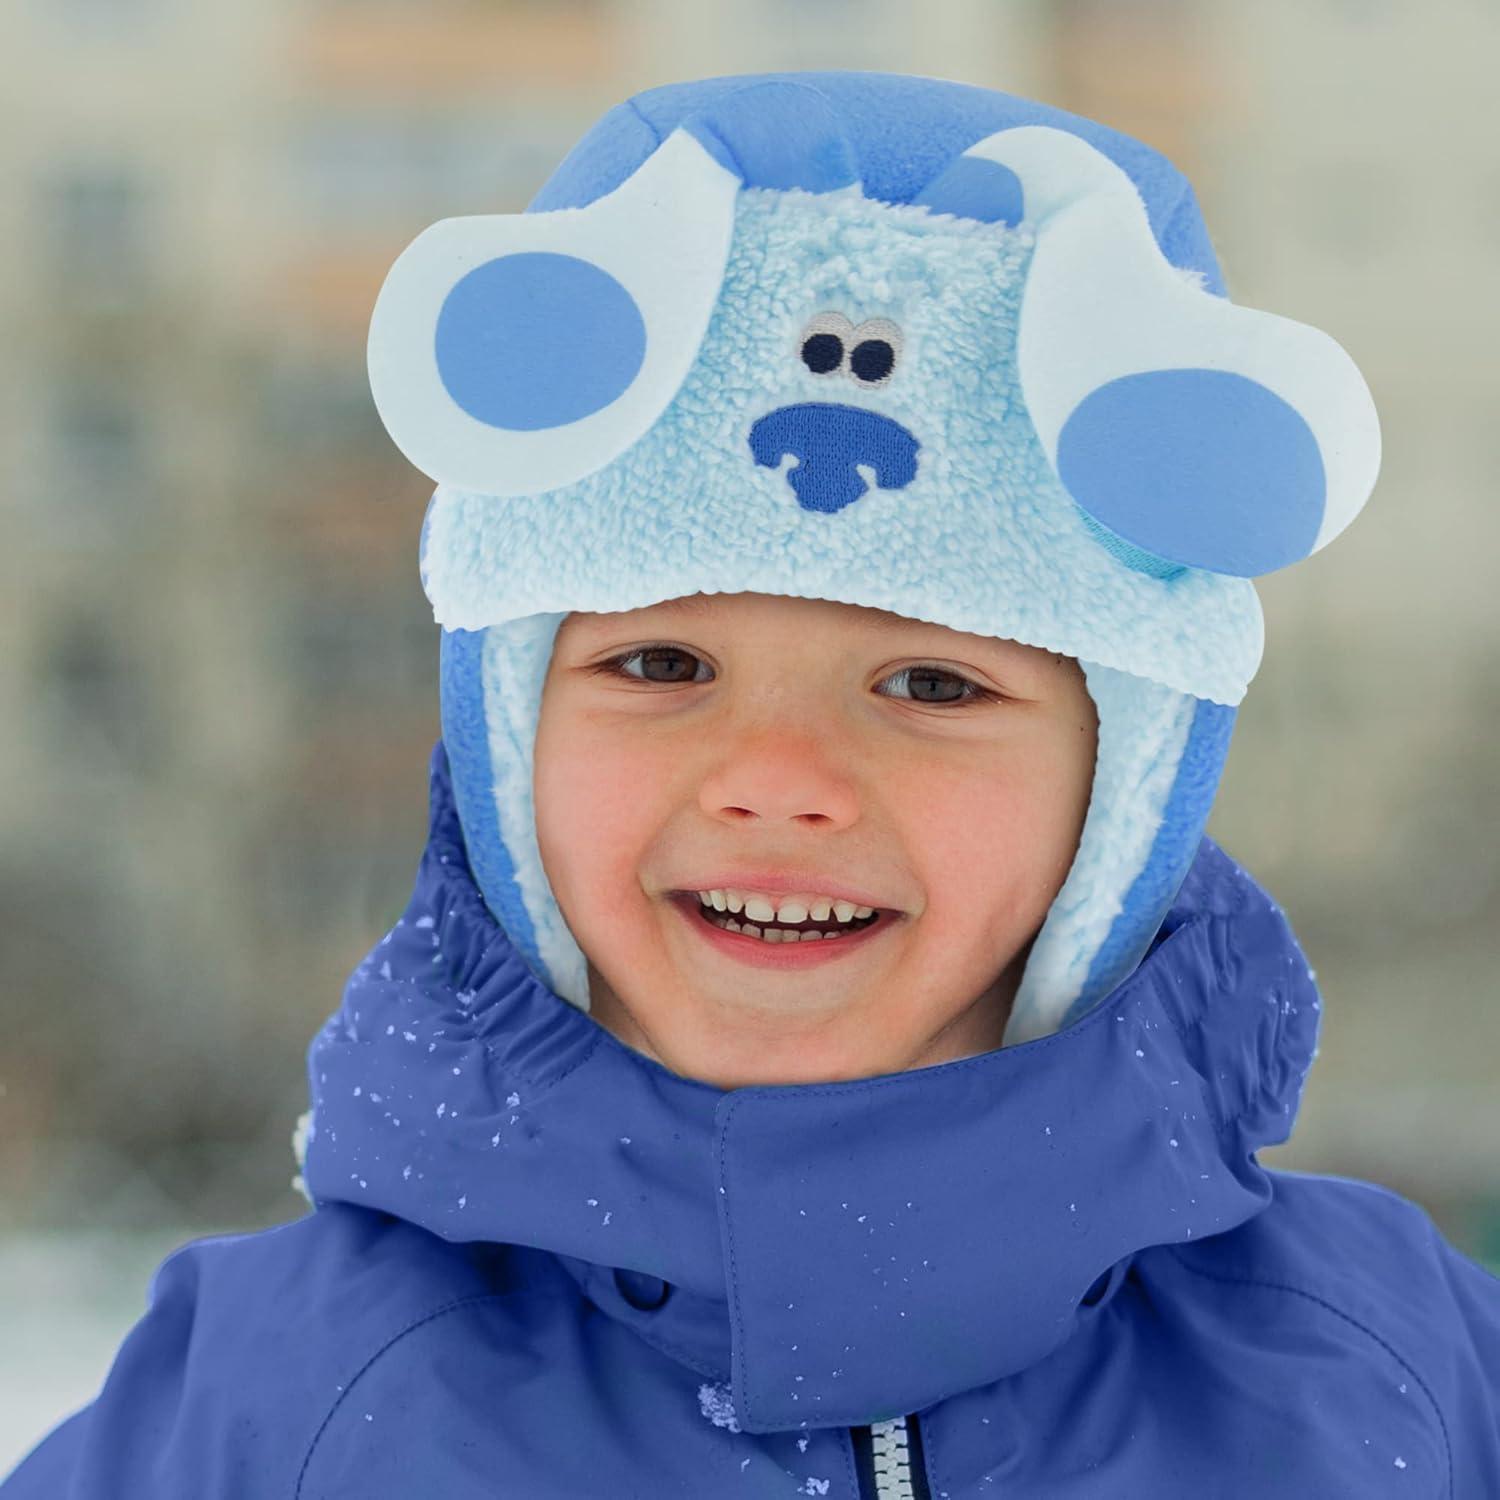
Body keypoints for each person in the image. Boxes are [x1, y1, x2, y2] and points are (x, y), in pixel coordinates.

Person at [5, 69, 1496, 1499]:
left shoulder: (1389, 1374)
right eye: (661, 667)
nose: (777, 783)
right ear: (510, 736)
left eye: (931, 686)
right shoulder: (273, 1401)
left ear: (1124, 795)